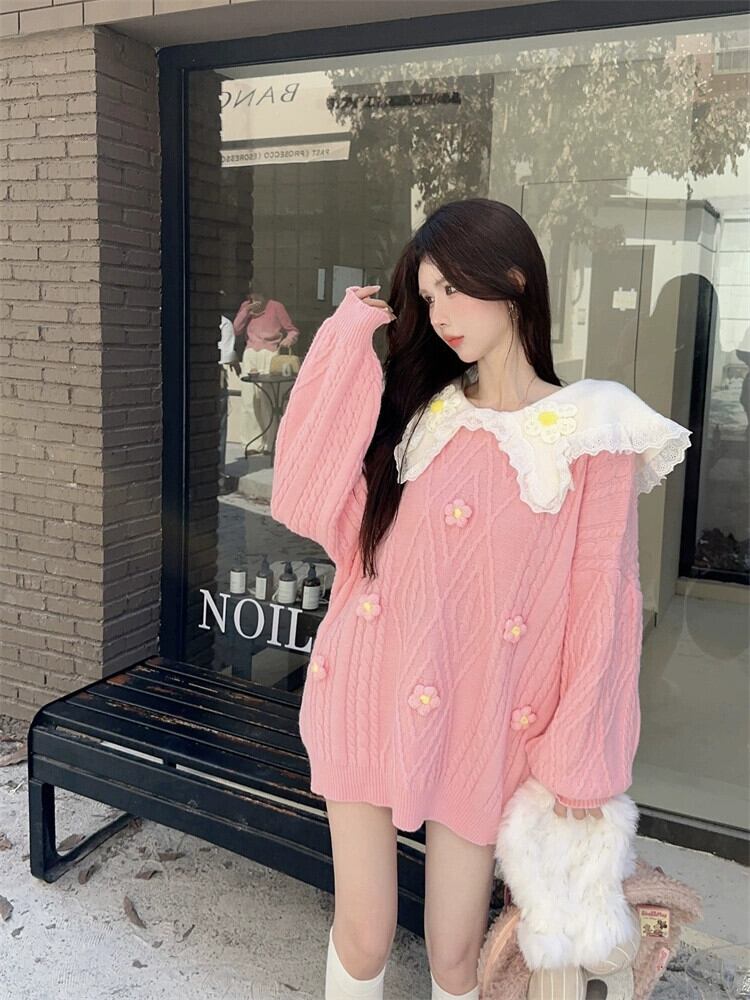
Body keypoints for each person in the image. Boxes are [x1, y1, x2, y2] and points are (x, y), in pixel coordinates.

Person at [269, 198, 692, 1000]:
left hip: (484, 720)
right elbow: (308, 497)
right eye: (428, 296)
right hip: (367, 690)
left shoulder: (590, 426)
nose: (440, 314)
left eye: (454, 290)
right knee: (362, 933)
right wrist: (342, 345)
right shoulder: (423, 412)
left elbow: (602, 606)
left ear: (515, 279)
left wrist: (581, 763)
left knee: (455, 953)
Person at [231, 283, 300, 454]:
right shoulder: (246, 308)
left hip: (269, 353)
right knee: (249, 400)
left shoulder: (276, 307)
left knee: (267, 399)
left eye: (259, 295)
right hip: (250, 354)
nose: (256, 298)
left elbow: (292, 330)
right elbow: (235, 330)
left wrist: (288, 340)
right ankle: (252, 443)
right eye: (252, 295)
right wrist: (246, 311)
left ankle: (270, 443)